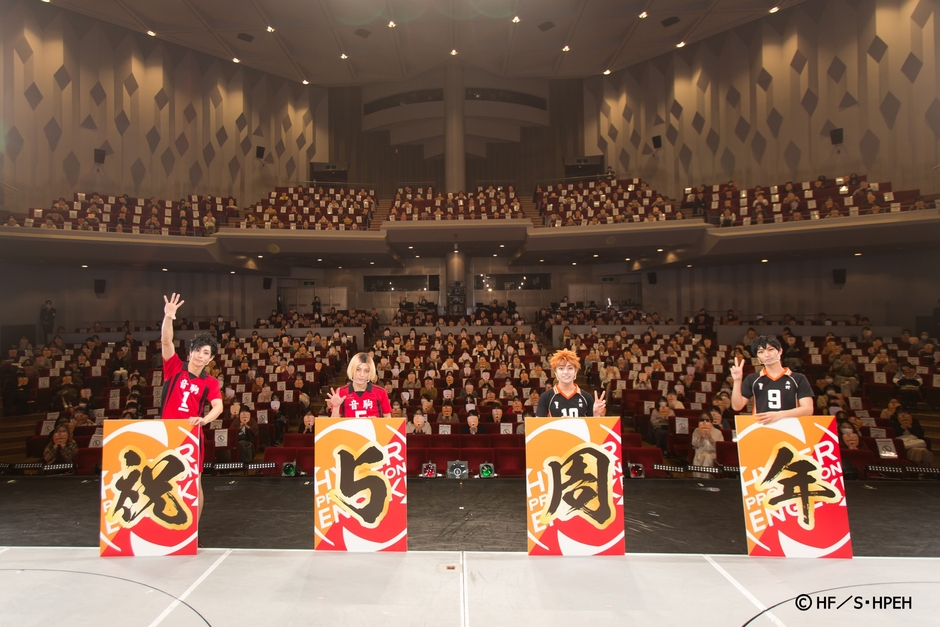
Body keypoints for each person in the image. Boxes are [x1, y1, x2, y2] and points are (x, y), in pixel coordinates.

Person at [161, 293, 223, 538]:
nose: (200, 355)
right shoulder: (174, 368)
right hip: (166, 434)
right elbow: (166, 342)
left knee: (194, 483)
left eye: (206, 352)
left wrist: (205, 420)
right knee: (163, 480)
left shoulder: (210, 382)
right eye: (198, 350)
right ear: (190, 352)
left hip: (191, 436)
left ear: (210, 359)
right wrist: (168, 317)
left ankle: (191, 533)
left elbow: (217, 406)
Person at [731, 336, 814, 424]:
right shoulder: (753, 379)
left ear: (780, 351)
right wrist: (737, 381)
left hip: (791, 428)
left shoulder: (798, 378)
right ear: (758, 358)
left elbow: (808, 409)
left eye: (770, 350)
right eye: (761, 352)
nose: (767, 355)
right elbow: (737, 406)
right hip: (761, 428)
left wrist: (779, 415)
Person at [535, 349, 606, 417]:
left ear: (576, 371)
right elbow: (537, 426)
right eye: (561, 368)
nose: (566, 372)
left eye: (570, 368)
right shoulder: (546, 397)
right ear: (555, 372)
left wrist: (596, 415)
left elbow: (593, 427)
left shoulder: (586, 397)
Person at [326, 352, 392, 418]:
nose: (362, 374)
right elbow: (334, 425)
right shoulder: (340, 392)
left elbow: (388, 419)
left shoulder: (381, 392)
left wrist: (377, 423)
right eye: (358, 370)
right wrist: (336, 407)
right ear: (352, 369)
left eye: (366, 371)